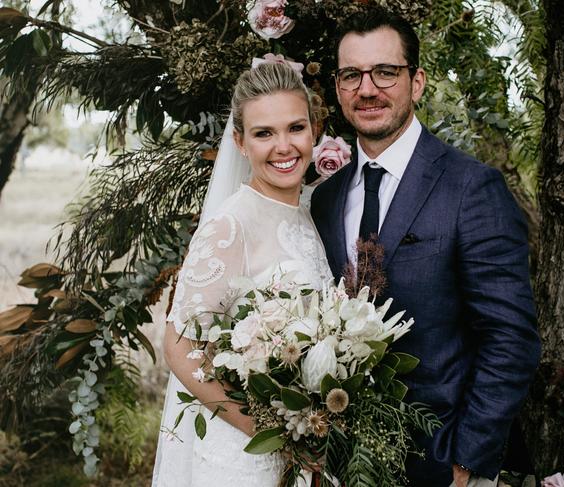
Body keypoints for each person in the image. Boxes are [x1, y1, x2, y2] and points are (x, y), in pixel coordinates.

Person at [310, 8, 541, 487]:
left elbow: (510, 339)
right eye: (351, 74)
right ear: (337, 87)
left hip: (443, 461)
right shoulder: (325, 199)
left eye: (385, 72)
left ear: (416, 82)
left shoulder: (472, 188)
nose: (367, 89)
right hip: (342, 463)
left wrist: (466, 465)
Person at [152, 61, 332, 486]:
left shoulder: (307, 210)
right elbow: (180, 346)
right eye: (264, 133)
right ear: (240, 142)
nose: (284, 147)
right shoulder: (231, 225)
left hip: (304, 445)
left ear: (314, 131)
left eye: (295, 128)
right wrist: (268, 429)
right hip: (246, 454)